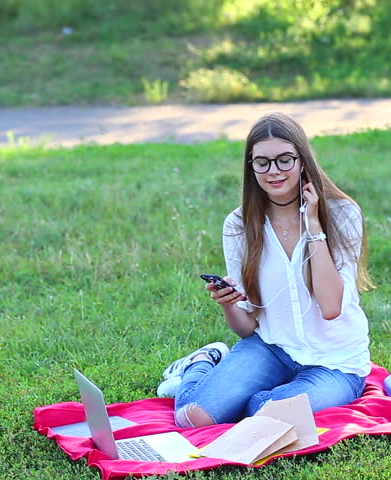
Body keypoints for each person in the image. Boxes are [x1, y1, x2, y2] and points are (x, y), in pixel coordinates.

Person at [158, 112, 373, 428]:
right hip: (271, 349)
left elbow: (330, 307)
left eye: (285, 159)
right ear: (251, 166)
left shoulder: (341, 214)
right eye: (262, 162)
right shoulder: (238, 225)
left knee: (266, 418)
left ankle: (251, 393)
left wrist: (314, 224)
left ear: (303, 160)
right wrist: (229, 303)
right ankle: (201, 363)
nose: (274, 171)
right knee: (193, 418)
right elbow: (246, 328)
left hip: (334, 363)